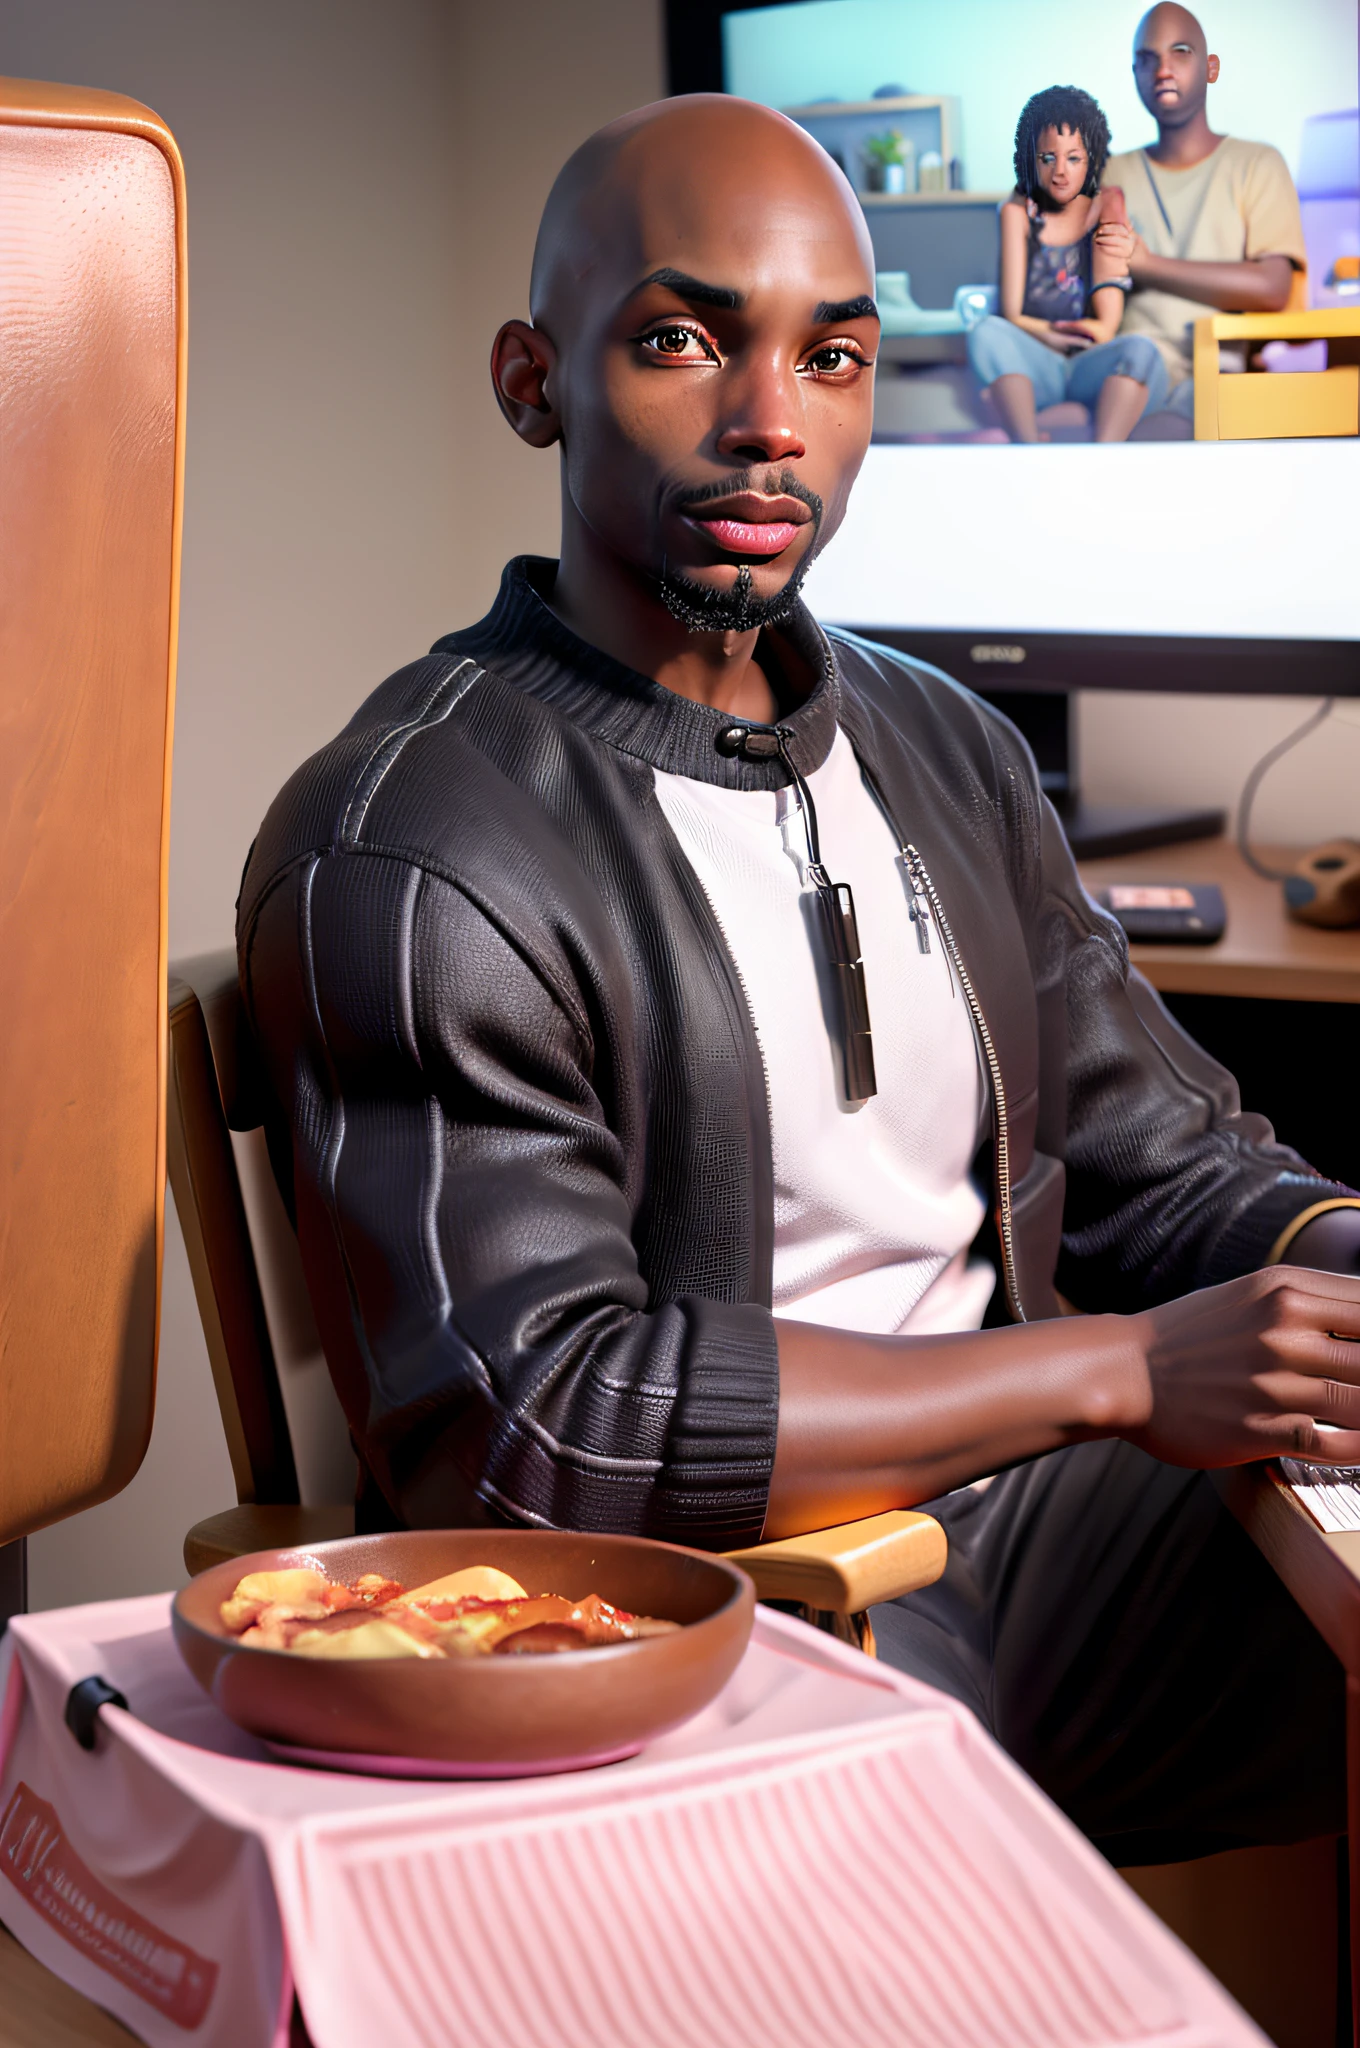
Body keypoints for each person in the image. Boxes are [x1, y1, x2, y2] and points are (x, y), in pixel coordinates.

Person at [240, 94, 1360, 1865]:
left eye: (833, 357)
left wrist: (1332, 1262)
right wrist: (1123, 1371)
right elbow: (541, 1427)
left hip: (1051, 1536)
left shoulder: (946, 746)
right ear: (531, 380)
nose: (772, 423)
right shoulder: (412, 841)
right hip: (727, 1612)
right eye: (686, 340)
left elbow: (1170, 1156)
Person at [1104, 2, 1307, 436]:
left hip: (1217, 369)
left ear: (1211, 68)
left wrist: (1147, 265)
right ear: (1135, 74)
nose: (1162, 70)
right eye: (1147, 59)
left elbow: (1273, 287)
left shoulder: (1257, 163)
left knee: (1175, 425)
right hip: (1128, 370)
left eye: (1180, 52)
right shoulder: (1107, 172)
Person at [967, 85, 1167, 442]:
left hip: (1091, 363)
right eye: (1048, 158)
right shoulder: (1016, 212)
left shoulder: (1108, 203)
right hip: (1037, 364)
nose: (1060, 172)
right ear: (1031, 158)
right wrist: (1055, 337)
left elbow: (1105, 327)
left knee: (1141, 352)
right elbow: (1011, 314)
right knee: (986, 333)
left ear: (1092, 158)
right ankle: (1029, 450)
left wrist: (1067, 334)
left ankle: (1104, 458)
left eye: (1073, 158)